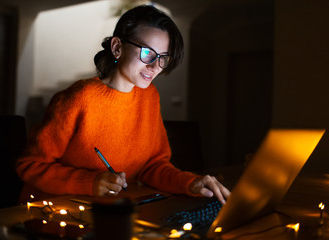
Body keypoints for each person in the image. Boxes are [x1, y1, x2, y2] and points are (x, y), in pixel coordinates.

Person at [16, 5, 230, 204]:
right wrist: (89, 182)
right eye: (147, 53)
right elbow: (30, 166)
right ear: (117, 47)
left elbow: (153, 166)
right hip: (54, 212)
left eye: (163, 57)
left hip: (114, 209)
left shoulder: (149, 97)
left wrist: (190, 183)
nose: (156, 66)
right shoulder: (78, 98)